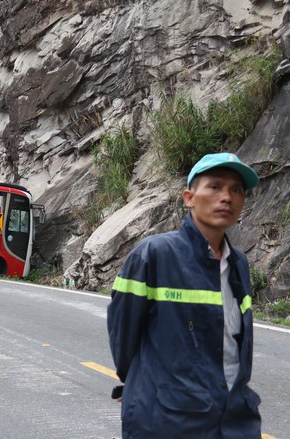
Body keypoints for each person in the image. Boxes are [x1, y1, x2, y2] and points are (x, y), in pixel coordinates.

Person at [107, 153, 262, 438]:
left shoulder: (238, 263)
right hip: (169, 420)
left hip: (233, 418)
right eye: (215, 186)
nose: (227, 197)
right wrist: (143, 385)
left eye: (236, 190)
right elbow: (123, 337)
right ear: (189, 197)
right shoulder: (153, 254)